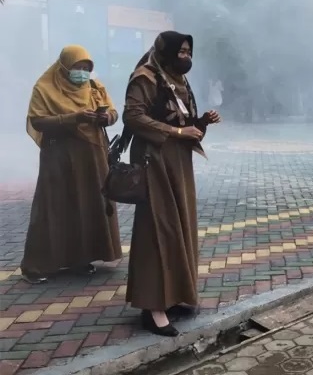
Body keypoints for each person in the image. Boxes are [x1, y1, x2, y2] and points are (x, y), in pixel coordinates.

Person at [123, 31, 221, 336]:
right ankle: (152, 308)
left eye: (189, 50)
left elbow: (184, 122)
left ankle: (174, 295)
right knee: (158, 228)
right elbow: (132, 116)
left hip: (179, 163)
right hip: (154, 161)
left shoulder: (178, 79)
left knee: (180, 226)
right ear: (164, 51)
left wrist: (201, 123)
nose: (186, 56)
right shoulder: (146, 76)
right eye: (180, 51)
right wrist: (178, 133)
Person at [22, 45, 122, 283]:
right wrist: (73, 118)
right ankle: (37, 266)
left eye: (87, 68)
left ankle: (82, 259)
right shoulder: (44, 88)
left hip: (93, 157)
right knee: (54, 208)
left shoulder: (95, 87)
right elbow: (37, 121)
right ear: (65, 66)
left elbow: (114, 112)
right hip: (59, 157)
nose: (83, 72)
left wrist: (106, 117)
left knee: (87, 204)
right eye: (78, 67)